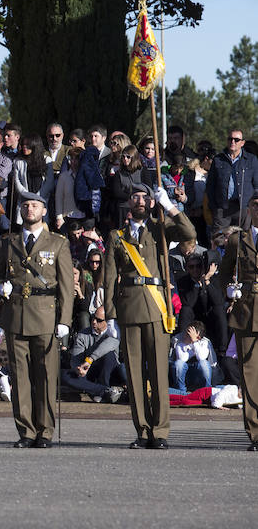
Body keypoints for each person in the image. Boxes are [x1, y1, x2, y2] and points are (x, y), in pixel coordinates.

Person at [103, 183, 197, 450]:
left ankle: (161, 431)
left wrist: (169, 205)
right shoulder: (116, 236)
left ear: (152, 202)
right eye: (135, 196)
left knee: (158, 372)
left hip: (157, 307)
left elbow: (189, 232)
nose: (140, 201)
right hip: (129, 307)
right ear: (129, 203)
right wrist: (110, 315)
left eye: (145, 197)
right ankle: (142, 430)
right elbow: (110, 278)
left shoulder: (160, 229)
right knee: (134, 374)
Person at [0, 193, 72, 448]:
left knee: (46, 376)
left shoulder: (58, 243)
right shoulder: (9, 242)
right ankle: (26, 431)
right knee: (20, 377)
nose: (29, 209)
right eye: (25, 205)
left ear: (44, 211)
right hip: (16, 314)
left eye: (34, 205)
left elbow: (66, 286)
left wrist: (65, 320)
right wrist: (1, 287)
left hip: (46, 314)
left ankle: (45, 431)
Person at [218, 190, 258, 450]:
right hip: (246, 311)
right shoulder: (237, 240)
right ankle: (255, 432)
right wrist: (229, 292)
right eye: (255, 205)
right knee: (251, 374)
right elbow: (224, 273)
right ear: (248, 210)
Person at [60, 306, 125, 403]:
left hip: (110, 372)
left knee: (109, 355)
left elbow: (107, 346)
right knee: (64, 375)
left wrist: (89, 360)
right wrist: (78, 369)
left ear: (107, 322)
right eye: (93, 318)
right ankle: (104, 391)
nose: (94, 322)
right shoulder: (83, 334)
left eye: (99, 320)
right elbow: (76, 357)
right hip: (89, 371)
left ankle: (100, 389)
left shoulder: (113, 333)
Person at [206, 128, 258, 234]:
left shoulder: (251, 159)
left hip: (244, 208)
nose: (232, 142)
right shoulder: (218, 159)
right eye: (230, 139)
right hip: (222, 208)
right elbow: (210, 186)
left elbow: (256, 185)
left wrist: (252, 207)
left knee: (244, 240)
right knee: (219, 241)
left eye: (236, 140)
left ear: (242, 143)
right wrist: (214, 207)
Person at [12, 135, 54, 225]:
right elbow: (17, 180)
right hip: (24, 200)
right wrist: (26, 195)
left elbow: (49, 181)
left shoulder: (46, 160)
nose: (24, 147)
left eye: (28, 145)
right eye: (23, 144)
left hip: (41, 199)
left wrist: (38, 197)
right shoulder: (18, 161)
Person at [106, 145, 143, 229]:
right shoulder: (118, 174)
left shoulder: (142, 172)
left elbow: (148, 190)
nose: (125, 159)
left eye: (128, 157)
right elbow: (117, 192)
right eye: (123, 157)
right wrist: (133, 196)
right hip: (123, 209)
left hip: (140, 208)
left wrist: (134, 197)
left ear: (134, 157)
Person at [171, 321, 213, 392]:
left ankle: (206, 390)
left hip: (198, 374)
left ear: (198, 337)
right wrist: (189, 347)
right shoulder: (180, 342)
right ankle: (181, 390)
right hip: (185, 374)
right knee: (179, 364)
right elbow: (182, 359)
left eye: (188, 335)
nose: (185, 336)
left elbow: (201, 357)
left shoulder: (205, 342)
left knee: (204, 363)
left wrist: (194, 342)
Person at [53, 147, 86, 230]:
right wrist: (59, 217)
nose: (73, 162)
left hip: (85, 217)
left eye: (76, 159)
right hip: (68, 217)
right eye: (71, 159)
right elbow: (59, 198)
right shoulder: (64, 176)